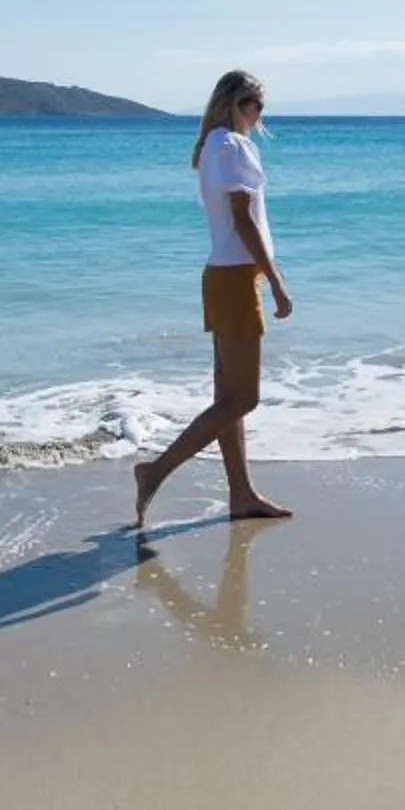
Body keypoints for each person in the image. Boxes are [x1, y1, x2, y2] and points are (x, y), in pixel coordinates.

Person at [135, 70, 294, 529]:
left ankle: (241, 493)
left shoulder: (212, 146)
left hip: (222, 275)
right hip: (237, 277)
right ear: (229, 102)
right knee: (243, 398)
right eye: (251, 103)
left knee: (228, 397)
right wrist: (276, 279)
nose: (256, 114)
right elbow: (243, 219)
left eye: (261, 105)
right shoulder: (232, 147)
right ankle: (155, 471)